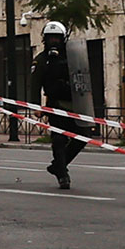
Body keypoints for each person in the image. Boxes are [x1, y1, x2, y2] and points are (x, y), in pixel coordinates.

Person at [30, 21, 88, 189]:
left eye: (57, 38)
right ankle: (62, 175)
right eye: (51, 38)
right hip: (55, 105)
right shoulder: (41, 60)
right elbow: (34, 85)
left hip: (76, 105)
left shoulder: (73, 57)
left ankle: (57, 166)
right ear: (45, 39)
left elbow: (83, 77)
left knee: (82, 137)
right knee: (59, 139)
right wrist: (36, 107)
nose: (54, 41)